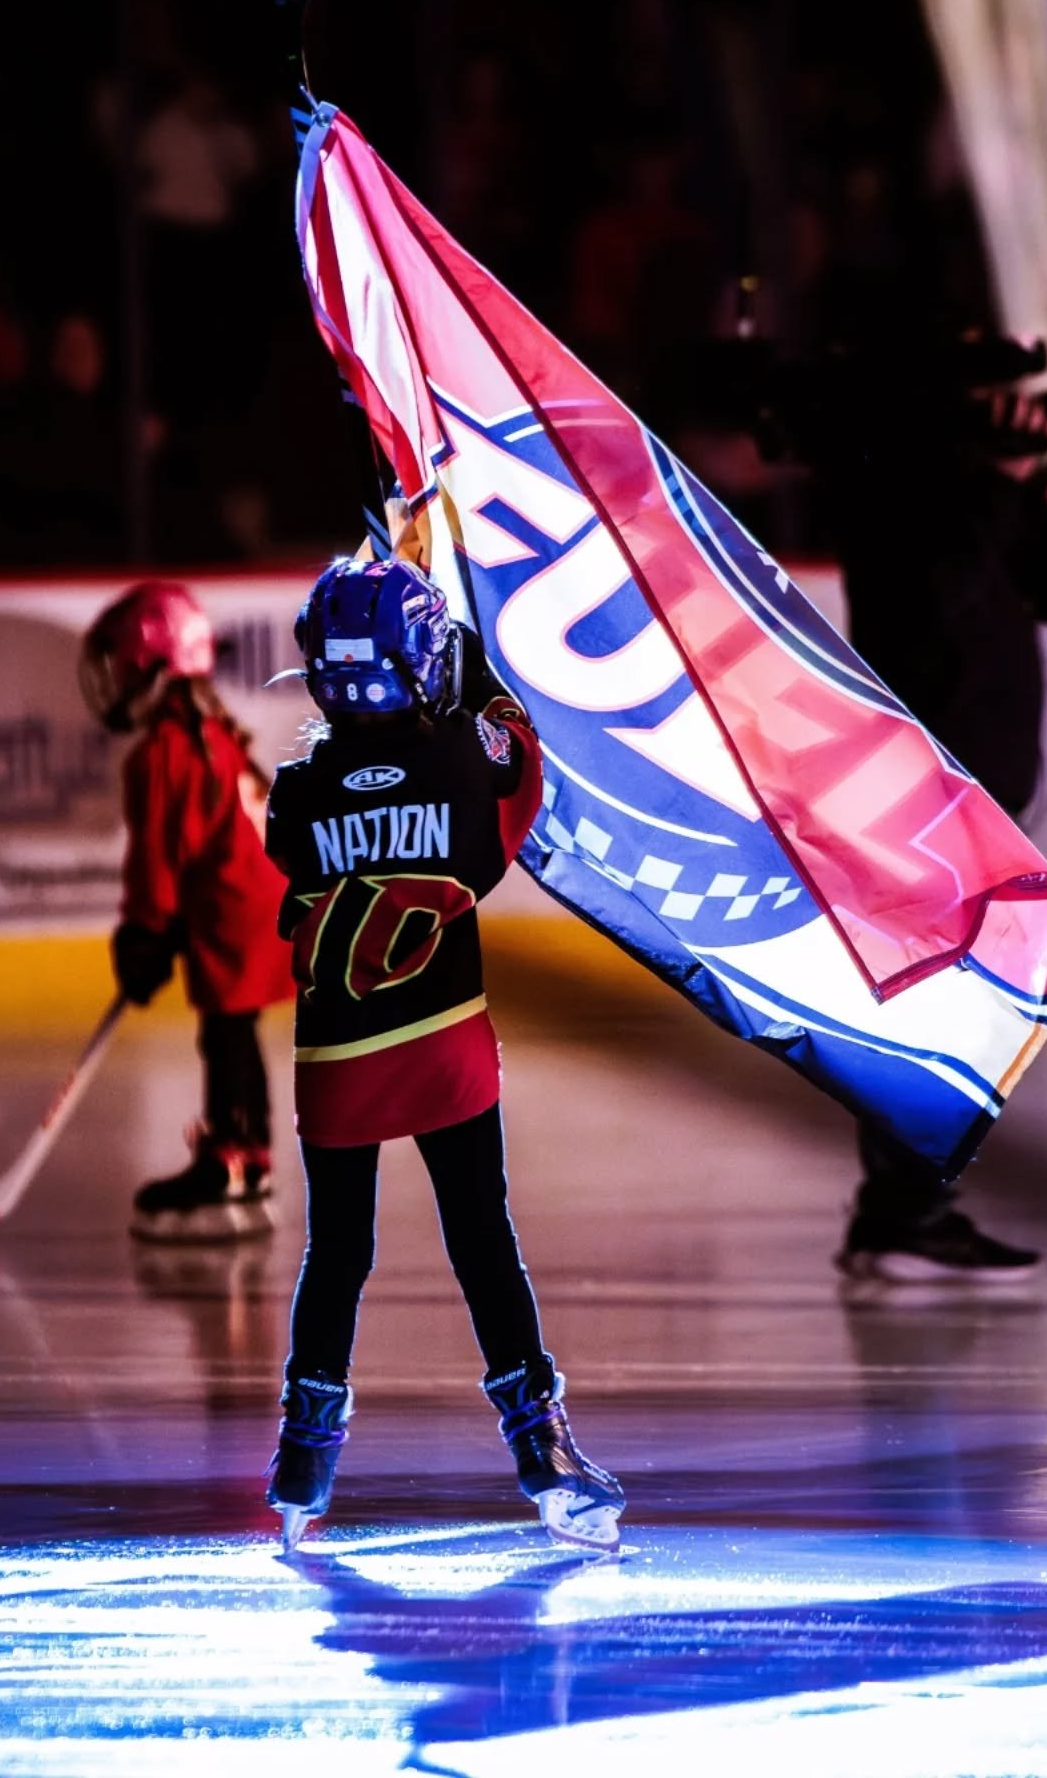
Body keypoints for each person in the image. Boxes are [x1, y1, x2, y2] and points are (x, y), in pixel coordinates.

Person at [260, 556, 625, 1552]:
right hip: (443, 1045)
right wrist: (469, 652)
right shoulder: (467, 764)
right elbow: (521, 751)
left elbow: (300, 849)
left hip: (336, 1059)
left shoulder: (296, 791)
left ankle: (302, 1458)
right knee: (480, 1238)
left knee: (337, 1252)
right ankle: (542, 1448)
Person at [825, 363, 1047, 1283]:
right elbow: (938, 602)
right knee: (932, 1007)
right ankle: (902, 1216)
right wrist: (998, 485)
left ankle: (907, 1211)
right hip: (922, 802)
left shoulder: (978, 493)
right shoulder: (897, 491)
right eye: (997, 392)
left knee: (963, 1008)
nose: (1016, 412)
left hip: (981, 801)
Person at [79, 581, 294, 1242]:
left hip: (232, 907)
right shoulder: (210, 733)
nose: (116, 680)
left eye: (123, 665)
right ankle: (249, 1158)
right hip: (260, 899)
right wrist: (163, 926)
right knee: (234, 1030)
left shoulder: (162, 754)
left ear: (153, 666)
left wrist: (145, 932)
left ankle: (230, 1160)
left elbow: (156, 859)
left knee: (225, 1034)